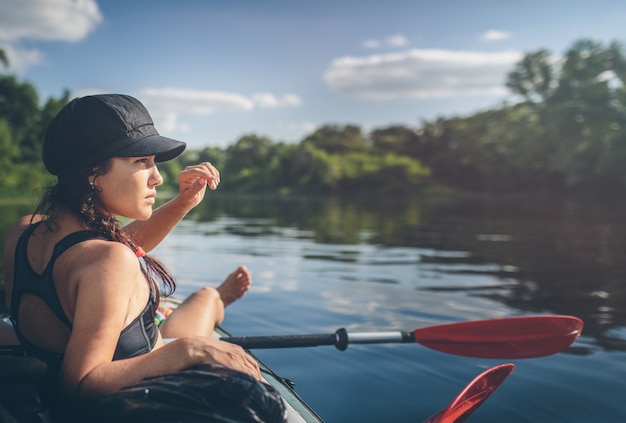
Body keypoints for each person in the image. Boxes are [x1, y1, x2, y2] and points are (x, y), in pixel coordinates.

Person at [1, 94, 261, 416]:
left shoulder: (24, 231)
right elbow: (77, 385)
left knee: (203, 300)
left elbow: (104, 247)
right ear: (93, 172)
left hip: (58, 386)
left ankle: (214, 298)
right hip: (139, 391)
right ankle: (216, 299)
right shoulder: (110, 263)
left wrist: (183, 203)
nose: (159, 177)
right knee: (202, 304)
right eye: (142, 162)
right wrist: (189, 350)